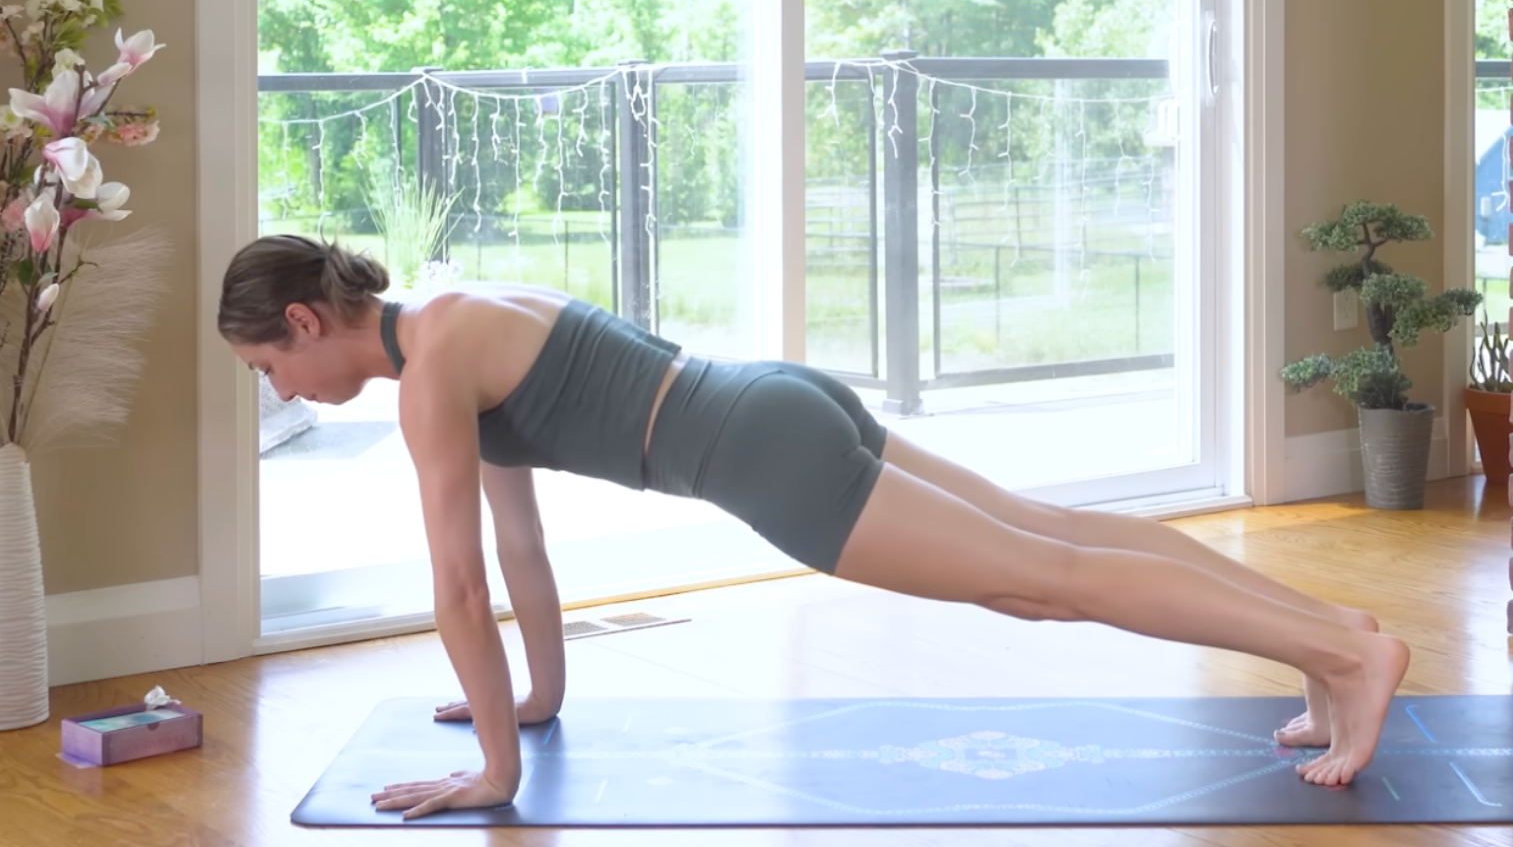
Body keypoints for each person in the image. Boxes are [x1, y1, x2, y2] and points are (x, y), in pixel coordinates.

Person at [219, 234, 1409, 820]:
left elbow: (462, 587)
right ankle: (1329, 637)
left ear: (309, 320)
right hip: (769, 395)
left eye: (268, 363)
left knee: (1047, 579)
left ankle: (1354, 657)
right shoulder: (449, 308)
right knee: (1046, 539)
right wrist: (533, 705)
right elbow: (519, 546)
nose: (277, 391)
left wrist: (493, 772)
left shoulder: (428, 379)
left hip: (756, 455)